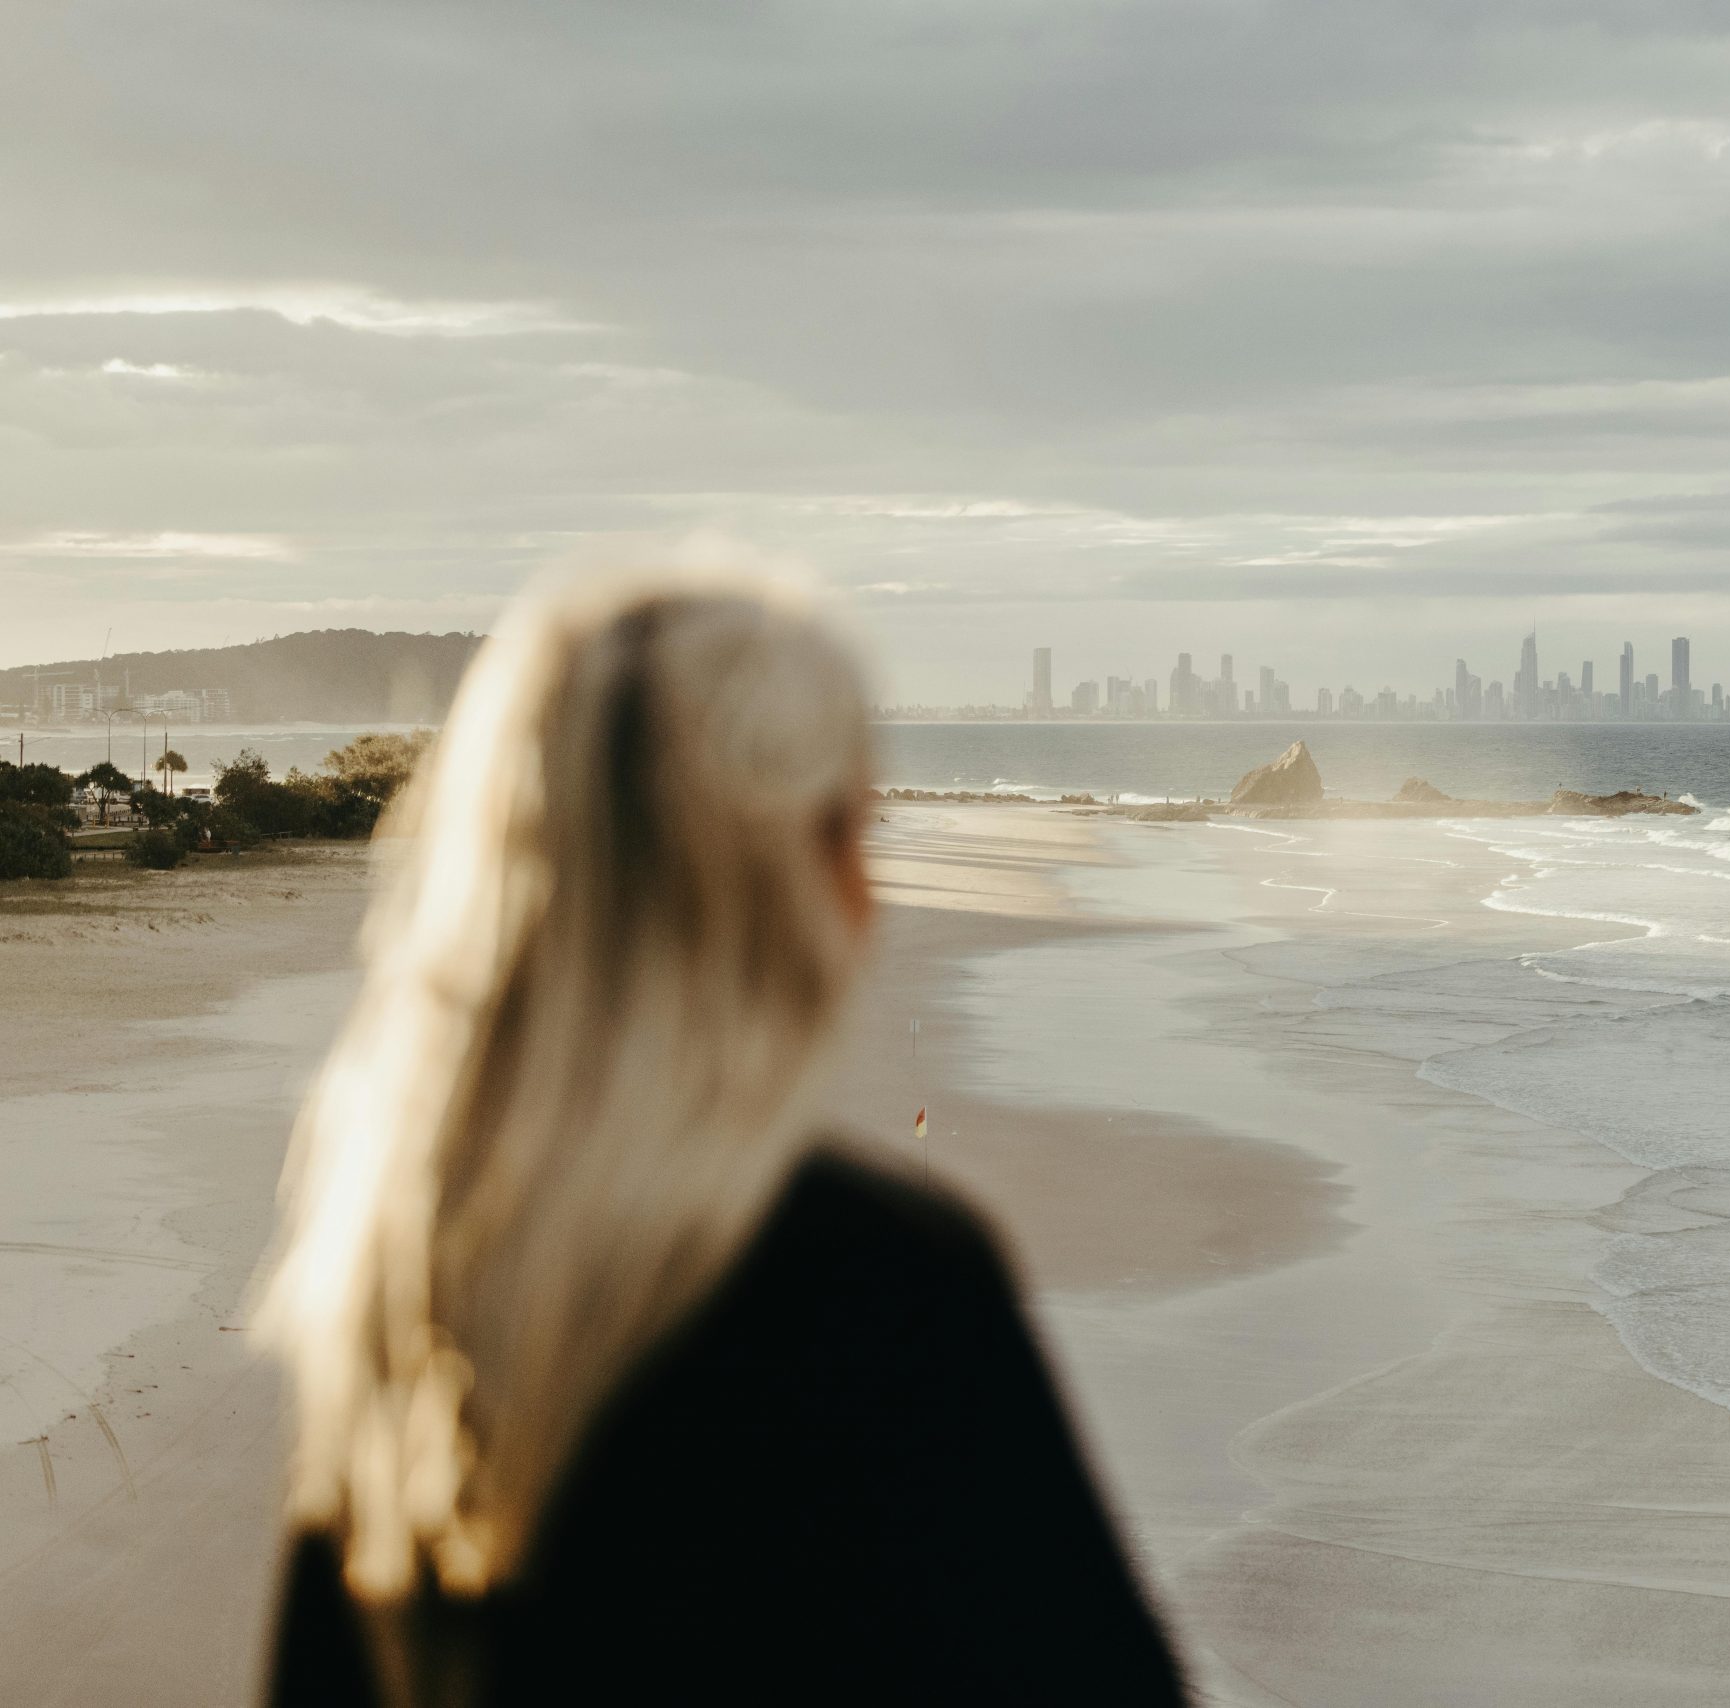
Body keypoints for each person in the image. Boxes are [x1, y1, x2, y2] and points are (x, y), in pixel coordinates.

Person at [258, 573, 1186, 1705]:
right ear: (764, 880)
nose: (869, 893)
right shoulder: (883, 1292)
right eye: (848, 827)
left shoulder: (401, 1287)